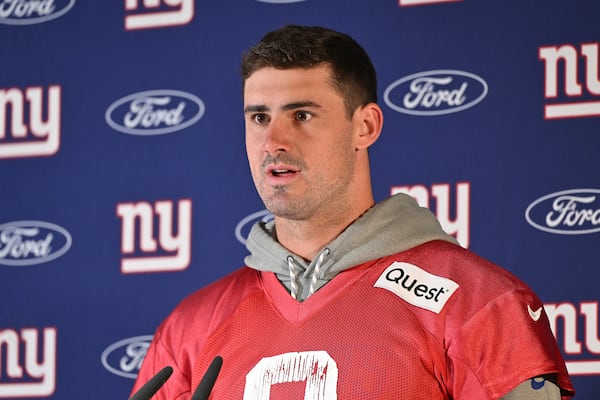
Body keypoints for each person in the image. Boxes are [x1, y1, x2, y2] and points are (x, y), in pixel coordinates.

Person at [131, 25, 575, 399]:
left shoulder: (478, 305)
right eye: (259, 118)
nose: (273, 142)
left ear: (365, 126)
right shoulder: (190, 328)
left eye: (301, 115)